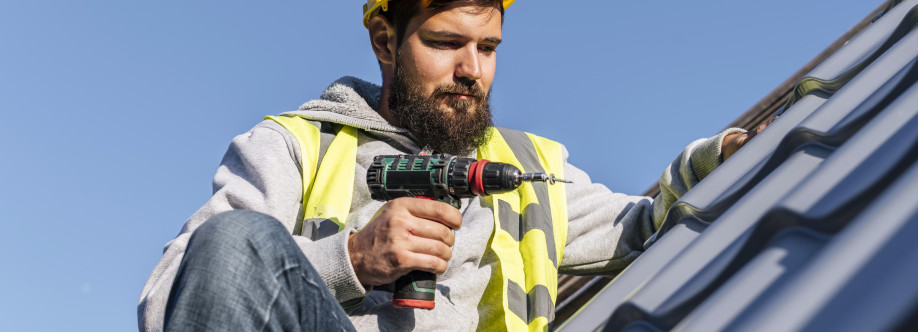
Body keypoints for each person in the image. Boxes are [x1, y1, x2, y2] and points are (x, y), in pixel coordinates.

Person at [138, 0, 762, 330]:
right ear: (385, 40)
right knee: (235, 239)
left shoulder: (524, 168)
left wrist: (722, 157)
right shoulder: (297, 145)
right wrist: (351, 259)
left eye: (487, 48)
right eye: (444, 43)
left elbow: (648, 222)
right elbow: (175, 299)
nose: (472, 70)